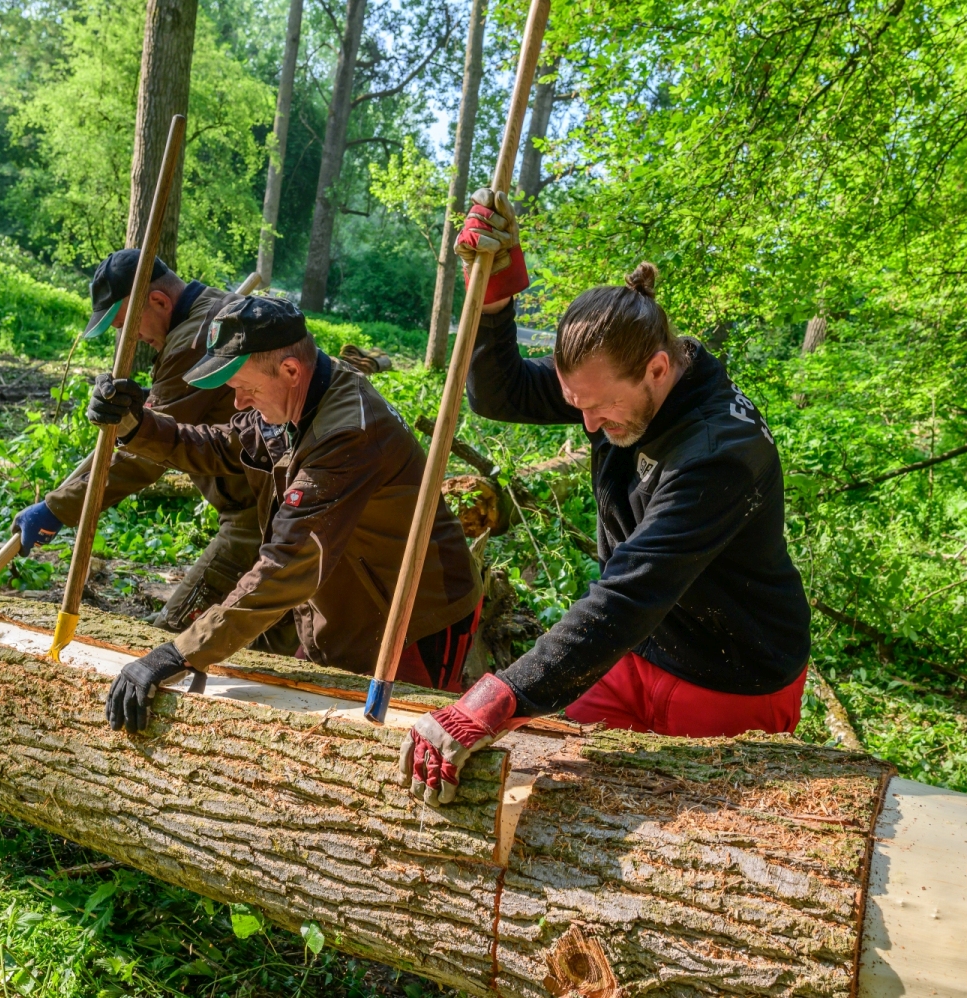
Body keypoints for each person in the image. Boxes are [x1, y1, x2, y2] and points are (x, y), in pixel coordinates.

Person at [399, 190, 811, 805]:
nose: (589, 426)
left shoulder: (718, 452)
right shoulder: (612, 377)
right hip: (632, 649)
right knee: (545, 787)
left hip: (730, 680)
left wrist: (495, 696)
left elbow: (630, 591)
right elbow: (500, 393)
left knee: (689, 844)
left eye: (601, 406)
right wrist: (493, 298)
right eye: (576, 405)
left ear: (658, 369)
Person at [85, 294, 484, 734]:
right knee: (326, 726)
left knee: (399, 741)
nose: (237, 404)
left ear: (291, 371)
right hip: (346, 600)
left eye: (244, 388)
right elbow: (221, 444)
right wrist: (136, 426)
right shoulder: (299, 396)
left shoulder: (347, 432)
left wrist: (179, 652)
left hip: (413, 616)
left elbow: (287, 562)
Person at [10, 249, 282, 640]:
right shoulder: (207, 315)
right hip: (269, 511)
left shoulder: (195, 339)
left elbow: (145, 457)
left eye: (129, 325)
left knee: (171, 641)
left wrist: (57, 509)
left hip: (260, 521)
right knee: (261, 645)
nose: (131, 338)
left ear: (158, 301)